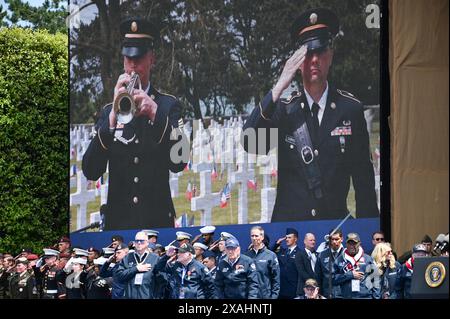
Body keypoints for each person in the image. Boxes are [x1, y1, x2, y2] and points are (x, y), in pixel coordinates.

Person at [242, 7, 378, 221]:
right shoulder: (284, 109)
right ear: (297, 61)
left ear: (330, 55)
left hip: (334, 232)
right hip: (291, 232)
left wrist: (368, 238)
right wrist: (278, 86)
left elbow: (364, 183)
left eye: (320, 51)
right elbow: (251, 142)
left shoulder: (349, 109)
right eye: (307, 53)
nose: (314, 59)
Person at [82, 17, 188, 230]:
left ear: (152, 59)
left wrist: (155, 113)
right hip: (119, 225)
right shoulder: (107, 112)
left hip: (157, 222)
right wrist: (112, 118)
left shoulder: (168, 106)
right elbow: (91, 170)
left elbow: (180, 161)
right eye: (128, 59)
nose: (133, 65)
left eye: (139, 59)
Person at [333, 233, 380, 299]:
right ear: (346, 244)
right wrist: (349, 275)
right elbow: (333, 279)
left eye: (354, 243)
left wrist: (376, 297)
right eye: (349, 243)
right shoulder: (339, 260)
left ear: (359, 243)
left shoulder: (368, 259)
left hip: (365, 297)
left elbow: (375, 280)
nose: (352, 246)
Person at [116, 231, 161, 299]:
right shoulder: (127, 257)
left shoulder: (155, 258)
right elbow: (119, 277)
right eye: (137, 241)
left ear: (147, 243)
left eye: (142, 241)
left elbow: (161, 281)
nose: (139, 243)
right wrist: (136, 269)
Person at [245, 226, 280, 299]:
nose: (254, 238)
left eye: (256, 236)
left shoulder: (271, 255)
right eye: (252, 236)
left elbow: (276, 279)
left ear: (262, 237)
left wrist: (273, 297)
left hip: (265, 296)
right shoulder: (246, 256)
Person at [272, 228, 300, 299]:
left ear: (295, 239)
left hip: (293, 290)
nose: (287, 239)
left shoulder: (300, 253)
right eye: (286, 237)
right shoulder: (282, 251)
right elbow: (269, 254)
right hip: (281, 290)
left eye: (289, 237)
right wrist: (277, 244)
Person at [317, 229, 344, 298]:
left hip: (344, 294)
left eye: (337, 239)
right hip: (327, 294)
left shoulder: (347, 254)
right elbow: (318, 277)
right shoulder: (322, 255)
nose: (334, 242)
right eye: (332, 239)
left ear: (342, 239)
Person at [295, 233, 320, 297]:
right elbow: (301, 271)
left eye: (314, 240)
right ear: (305, 241)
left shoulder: (318, 255)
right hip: (304, 289)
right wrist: (312, 283)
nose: (313, 242)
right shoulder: (299, 255)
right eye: (310, 240)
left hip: (318, 290)